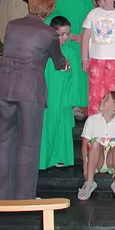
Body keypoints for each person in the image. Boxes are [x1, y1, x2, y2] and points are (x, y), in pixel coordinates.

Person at [0, 0, 68, 200]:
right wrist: (65, 64)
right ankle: (24, 198)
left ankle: (1, 197)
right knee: (28, 146)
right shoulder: (49, 33)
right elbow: (58, 62)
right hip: (29, 92)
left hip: (3, 87)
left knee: (3, 144)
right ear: (49, 10)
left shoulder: (12, 25)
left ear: (30, 4)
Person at [47, 0, 94, 119]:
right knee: (65, 73)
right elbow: (52, 17)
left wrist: (84, 36)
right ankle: (64, 104)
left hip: (80, 42)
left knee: (79, 75)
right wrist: (67, 34)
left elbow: (91, 19)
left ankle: (77, 106)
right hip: (63, 41)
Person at [78, 91, 115, 201]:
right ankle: (89, 182)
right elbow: (84, 146)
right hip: (96, 161)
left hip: (113, 161)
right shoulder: (91, 120)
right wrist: (85, 167)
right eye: (103, 98)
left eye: (106, 100)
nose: (102, 101)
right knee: (96, 142)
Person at [39, 16, 75, 170]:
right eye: (61, 34)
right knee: (47, 126)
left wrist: (70, 98)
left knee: (62, 125)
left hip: (63, 96)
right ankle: (45, 158)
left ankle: (60, 156)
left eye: (67, 34)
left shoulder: (70, 52)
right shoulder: (43, 51)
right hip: (47, 94)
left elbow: (73, 78)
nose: (65, 37)